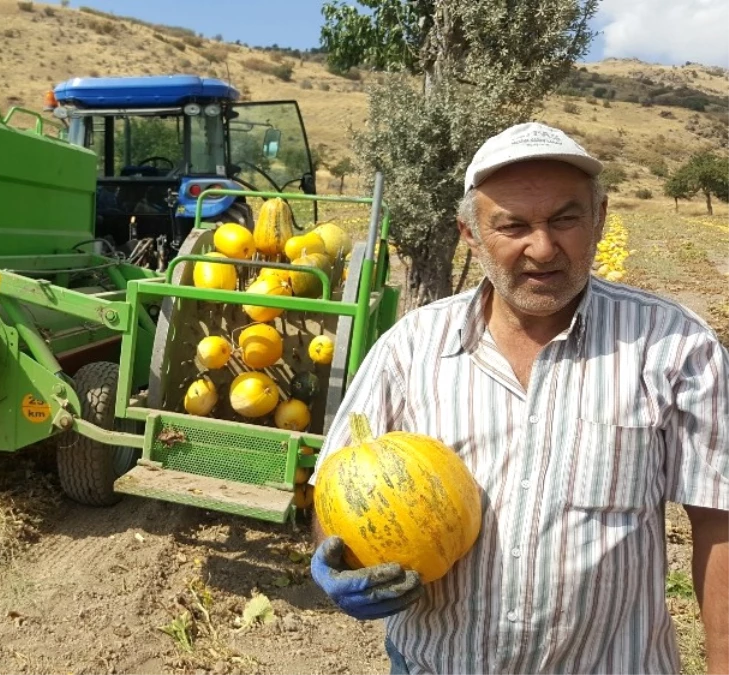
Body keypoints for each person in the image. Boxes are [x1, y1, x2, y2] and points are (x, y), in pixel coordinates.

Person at [307, 122, 729, 673]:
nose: (544, 247)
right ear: (470, 234)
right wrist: (338, 559)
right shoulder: (409, 348)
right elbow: (333, 489)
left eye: (566, 219)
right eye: (513, 225)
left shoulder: (676, 346)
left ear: (599, 219)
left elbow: (720, 525)